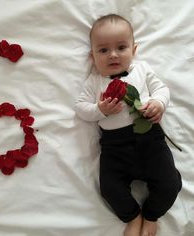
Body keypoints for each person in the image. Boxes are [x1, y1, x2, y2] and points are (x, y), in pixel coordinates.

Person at [75, 14, 182, 236]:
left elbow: (162, 89)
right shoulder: (94, 81)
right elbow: (81, 108)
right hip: (115, 149)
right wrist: (100, 110)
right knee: (109, 189)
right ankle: (133, 216)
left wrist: (157, 103)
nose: (113, 54)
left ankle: (152, 215)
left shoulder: (141, 70)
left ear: (134, 50)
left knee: (170, 184)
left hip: (150, 141)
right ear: (92, 56)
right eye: (103, 50)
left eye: (121, 47)